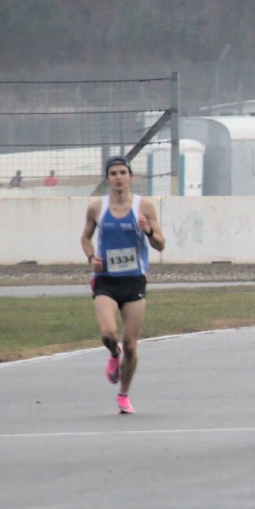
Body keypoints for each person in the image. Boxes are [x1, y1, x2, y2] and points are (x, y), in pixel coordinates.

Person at [80, 155, 164, 415]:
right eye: (113, 173)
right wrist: (91, 257)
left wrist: (148, 230)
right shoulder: (97, 207)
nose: (118, 177)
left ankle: (123, 395)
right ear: (107, 178)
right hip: (106, 280)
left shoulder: (144, 206)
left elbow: (160, 244)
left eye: (122, 173)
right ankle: (112, 353)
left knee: (131, 343)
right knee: (108, 334)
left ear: (130, 176)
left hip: (134, 280)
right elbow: (85, 238)